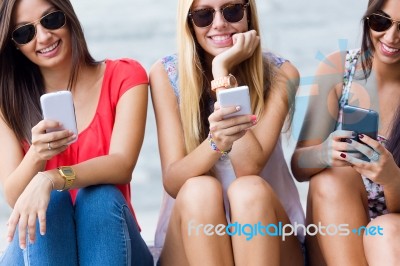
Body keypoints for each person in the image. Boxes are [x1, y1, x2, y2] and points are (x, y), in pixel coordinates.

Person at [149, 0, 305, 265]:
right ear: (189, 22)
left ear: (248, 14)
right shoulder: (166, 74)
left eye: (231, 10)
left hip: (266, 234)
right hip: (193, 235)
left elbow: (248, 166)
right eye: (203, 15)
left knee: (249, 190)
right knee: (198, 189)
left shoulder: (281, 73)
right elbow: (174, 181)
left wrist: (221, 74)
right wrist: (215, 144)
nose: (219, 23)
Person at [0, 0, 153, 265]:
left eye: (51, 20)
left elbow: (122, 164)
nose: (44, 37)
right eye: (25, 32)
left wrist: (52, 178)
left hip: (111, 236)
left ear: (68, 16)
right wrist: (36, 155)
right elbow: (15, 197)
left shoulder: (125, 76)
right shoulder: (7, 103)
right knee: (49, 205)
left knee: (99, 196)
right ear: (14, 44)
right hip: (41, 246)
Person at [291, 0, 400, 265]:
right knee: (332, 177)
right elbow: (298, 166)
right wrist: (324, 153)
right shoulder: (341, 69)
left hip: (392, 233)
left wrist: (392, 179)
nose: (391, 37)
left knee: (384, 231)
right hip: (336, 229)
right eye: (381, 22)